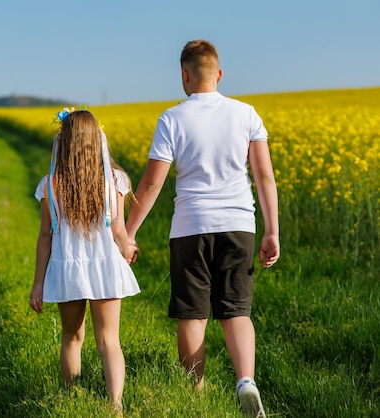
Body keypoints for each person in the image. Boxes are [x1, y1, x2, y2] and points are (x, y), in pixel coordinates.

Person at [125, 39, 279, 418]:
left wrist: (128, 232)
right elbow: (264, 177)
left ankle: (194, 392)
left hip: (190, 227)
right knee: (236, 311)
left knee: (192, 314)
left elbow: (151, 184)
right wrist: (272, 230)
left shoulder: (172, 118)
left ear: (184, 75)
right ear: (220, 74)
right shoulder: (246, 114)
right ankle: (246, 381)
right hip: (239, 225)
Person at [29, 109, 140, 414]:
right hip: (105, 264)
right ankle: (115, 405)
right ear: (98, 139)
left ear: (62, 142)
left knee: (71, 337)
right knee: (109, 342)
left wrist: (38, 283)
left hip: (68, 268)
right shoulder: (114, 180)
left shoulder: (51, 184)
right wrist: (128, 249)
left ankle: (71, 398)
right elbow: (118, 229)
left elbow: (45, 236)